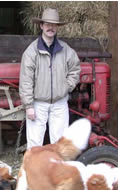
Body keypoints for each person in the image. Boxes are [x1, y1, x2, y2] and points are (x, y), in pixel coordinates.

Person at [19, 8, 81, 149]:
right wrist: (29, 106)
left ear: (57, 27)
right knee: (35, 144)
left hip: (59, 104)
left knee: (60, 144)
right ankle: (35, 171)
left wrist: (66, 87)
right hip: (38, 103)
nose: (50, 28)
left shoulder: (66, 50)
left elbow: (75, 69)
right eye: (47, 24)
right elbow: (26, 80)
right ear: (41, 26)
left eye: (53, 25)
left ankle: (57, 170)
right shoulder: (31, 52)